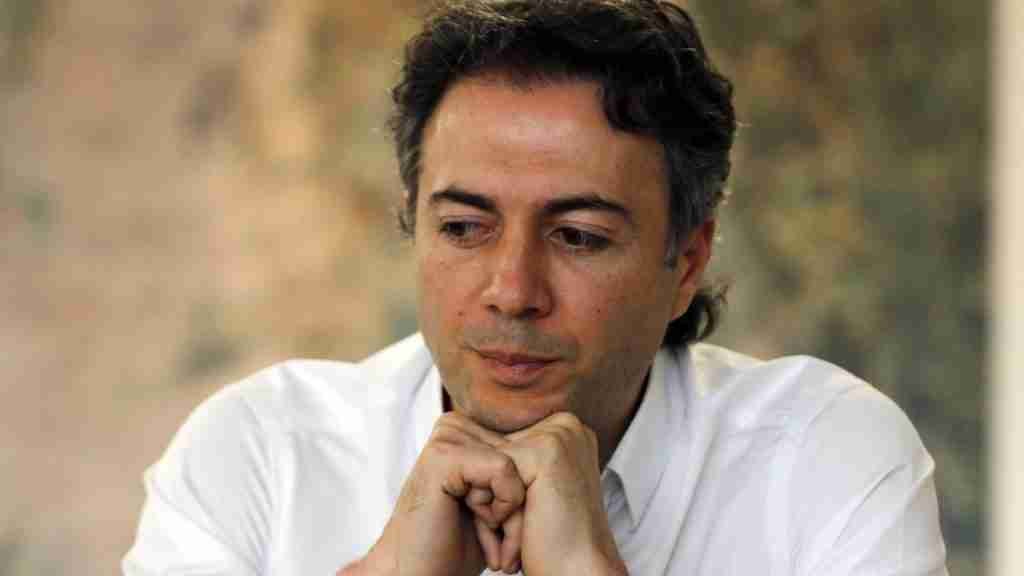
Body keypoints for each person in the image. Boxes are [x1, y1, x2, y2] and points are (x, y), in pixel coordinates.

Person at [123, 1, 949, 574]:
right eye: (464, 227)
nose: (512, 291)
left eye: (579, 237)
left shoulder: (821, 456)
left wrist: (587, 569)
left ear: (686, 263)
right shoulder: (261, 453)